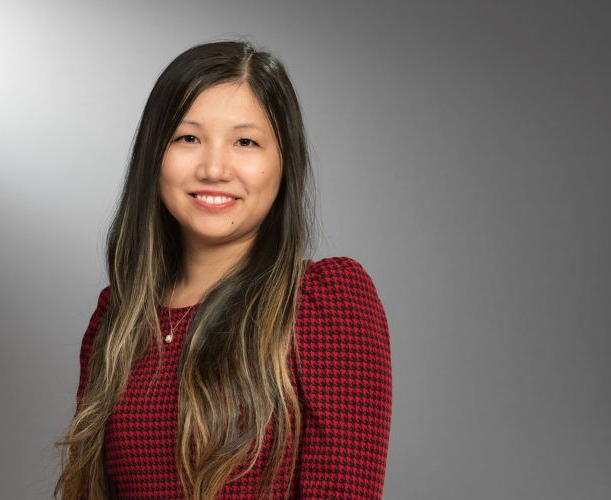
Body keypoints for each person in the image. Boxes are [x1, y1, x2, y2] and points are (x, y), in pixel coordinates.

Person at [55, 39, 392, 499]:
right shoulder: (118, 317)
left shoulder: (324, 300)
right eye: (188, 138)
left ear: (283, 163)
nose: (214, 168)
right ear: (155, 156)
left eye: (245, 141)